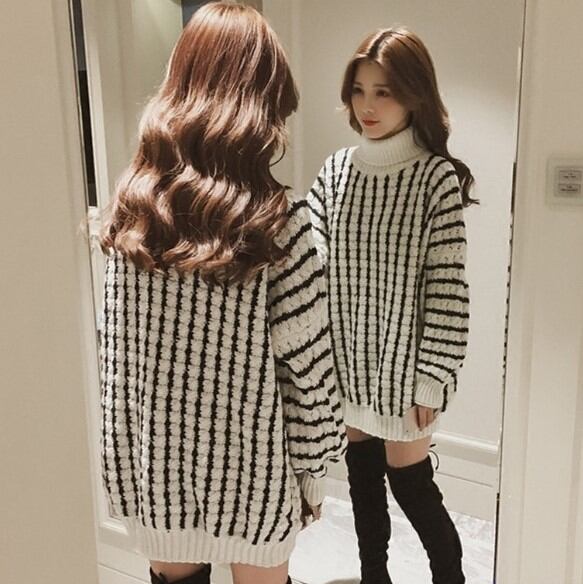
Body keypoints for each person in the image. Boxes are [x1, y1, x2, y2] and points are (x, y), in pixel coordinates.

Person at [98, 3, 346, 584]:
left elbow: (118, 363)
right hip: (254, 482)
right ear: (262, 104)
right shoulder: (280, 222)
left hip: (157, 477)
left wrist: (126, 478)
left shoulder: (134, 212)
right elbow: (307, 372)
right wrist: (312, 475)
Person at [307, 27, 476, 584]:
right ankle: (373, 576)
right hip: (348, 363)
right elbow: (310, 262)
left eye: (384, 92)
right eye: (359, 90)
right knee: (361, 481)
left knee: (411, 486)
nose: (368, 106)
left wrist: (433, 378)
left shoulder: (433, 178)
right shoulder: (336, 171)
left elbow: (448, 290)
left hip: (404, 371)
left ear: (414, 94)